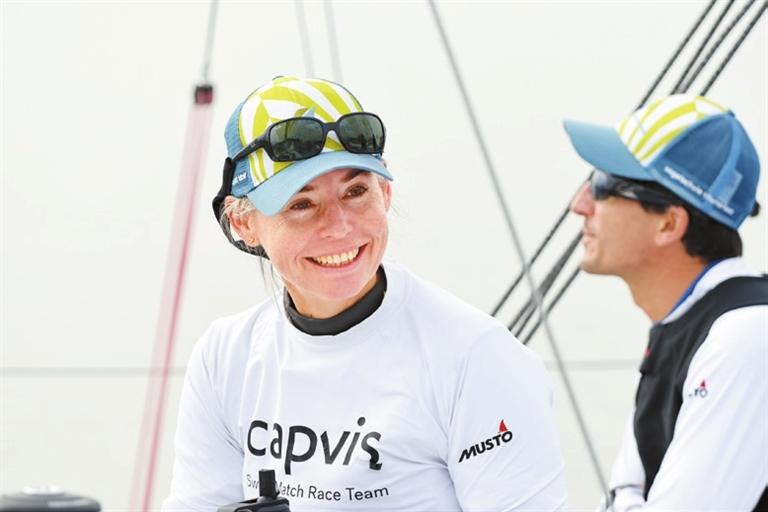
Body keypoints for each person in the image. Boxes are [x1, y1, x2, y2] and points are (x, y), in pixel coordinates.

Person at [162, 76, 568, 511]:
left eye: (356, 192)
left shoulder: (477, 358)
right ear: (244, 223)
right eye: (301, 204)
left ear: (385, 193)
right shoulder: (225, 357)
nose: (339, 227)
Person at [561, 93, 767, 511]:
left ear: (669, 223)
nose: (579, 205)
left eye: (602, 184)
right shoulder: (693, 324)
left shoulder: (747, 333)